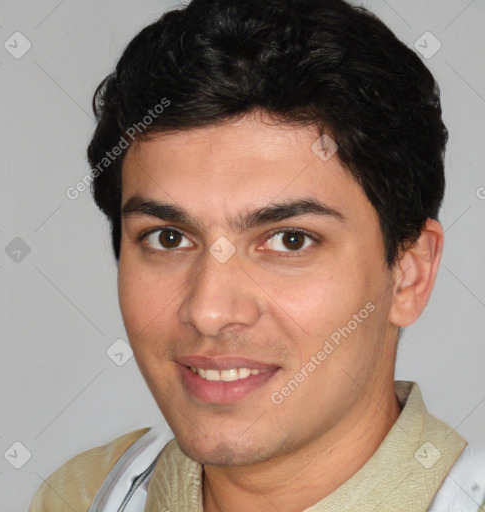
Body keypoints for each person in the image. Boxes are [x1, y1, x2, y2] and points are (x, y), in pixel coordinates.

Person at [29, 0, 485, 510]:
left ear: (409, 275)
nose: (209, 310)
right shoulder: (83, 494)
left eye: (290, 240)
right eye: (169, 237)